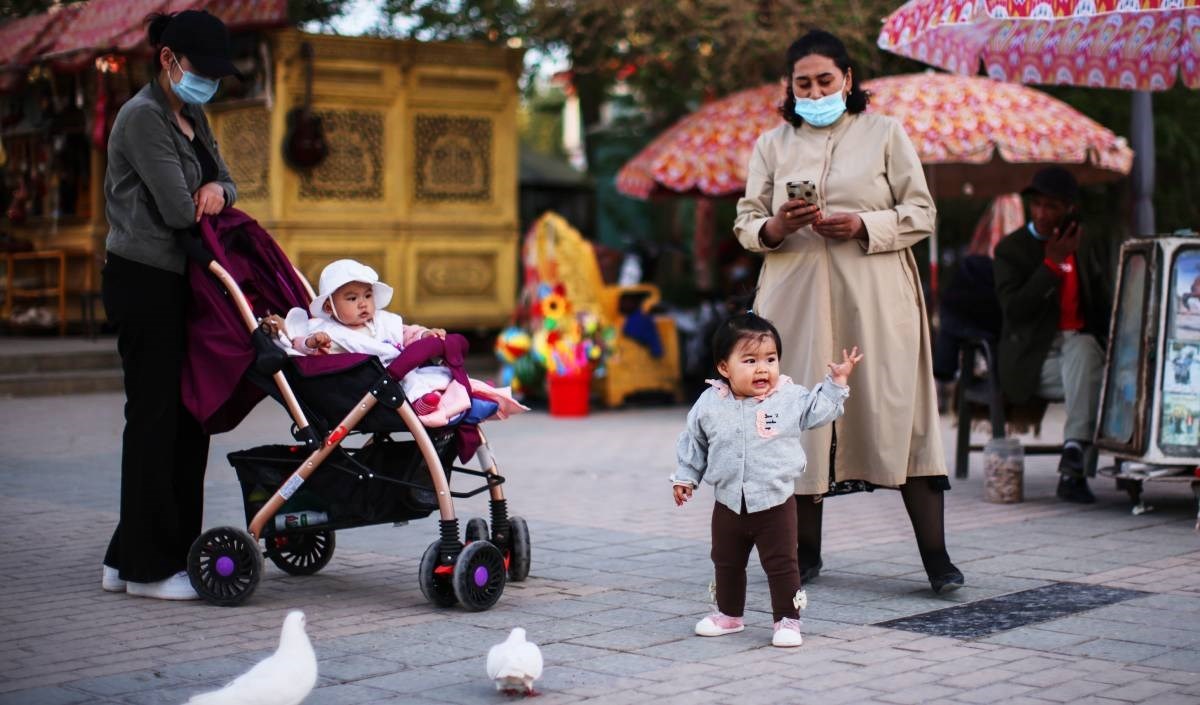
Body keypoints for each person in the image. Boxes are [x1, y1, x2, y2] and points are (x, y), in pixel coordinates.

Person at [733, 29, 963, 594]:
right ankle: (804, 555)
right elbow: (745, 222)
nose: (814, 91)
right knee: (798, 415)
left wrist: (865, 224)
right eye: (803, 83)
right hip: (795, 300)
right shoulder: (771, 145)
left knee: (896, 413)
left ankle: (936, 559)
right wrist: (778, 226)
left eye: (825, 81)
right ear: (790, 88)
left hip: (878, 300)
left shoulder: (886, 133)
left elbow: (922, 212)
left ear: (848, 80)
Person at [101, 10, 240, 599]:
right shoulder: (142, 118)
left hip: (181, 283)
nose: (206, 81)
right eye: (199, 70)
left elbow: (227, 183)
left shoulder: (191, 114)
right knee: (156, 420)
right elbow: (180, 211)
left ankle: (126, 557)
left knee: (184, 419)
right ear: (168, 60)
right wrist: (205, 195)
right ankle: (148, 570)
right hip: (143, 280)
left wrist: (217, 189)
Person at [672, 313, 861, 647]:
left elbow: (818, 410)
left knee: (781, 564)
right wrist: (686, 478)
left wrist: (837, 384)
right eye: (750, 360)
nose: (763, 368)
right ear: (724, 368)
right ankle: (729, 615)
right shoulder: (709, 403)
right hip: (728, 502)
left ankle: (787, 621)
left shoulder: (788, 397)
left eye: (770, 359)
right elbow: (695, 443)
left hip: (774, 503)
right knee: (726, 561)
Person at [269, 259, 527, 426]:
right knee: (412, 382)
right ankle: (428, 405)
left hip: (400, 370)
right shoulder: (326, 330)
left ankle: (470, 396)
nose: (363, 303)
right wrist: (313, 342)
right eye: (351, 298)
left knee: (441, 374)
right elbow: (297, 345)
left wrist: (426, 336)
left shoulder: (383, 321)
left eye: (367, 295)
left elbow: (407, 333)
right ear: (329, 306)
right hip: (369, 387)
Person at [993, 167, 1113, 504]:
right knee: (1091, 373)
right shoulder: (1011, 250)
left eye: (1052, 207)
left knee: (1086, 348)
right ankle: (1074, 470)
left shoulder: (1084, 244)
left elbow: (1102, 306)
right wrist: (1050, 265)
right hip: (1034, 359)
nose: (1043, 214)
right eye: (1038, 205)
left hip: (1079, 352)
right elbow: (1014, 311)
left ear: (1069, 208)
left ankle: (1073, 451)